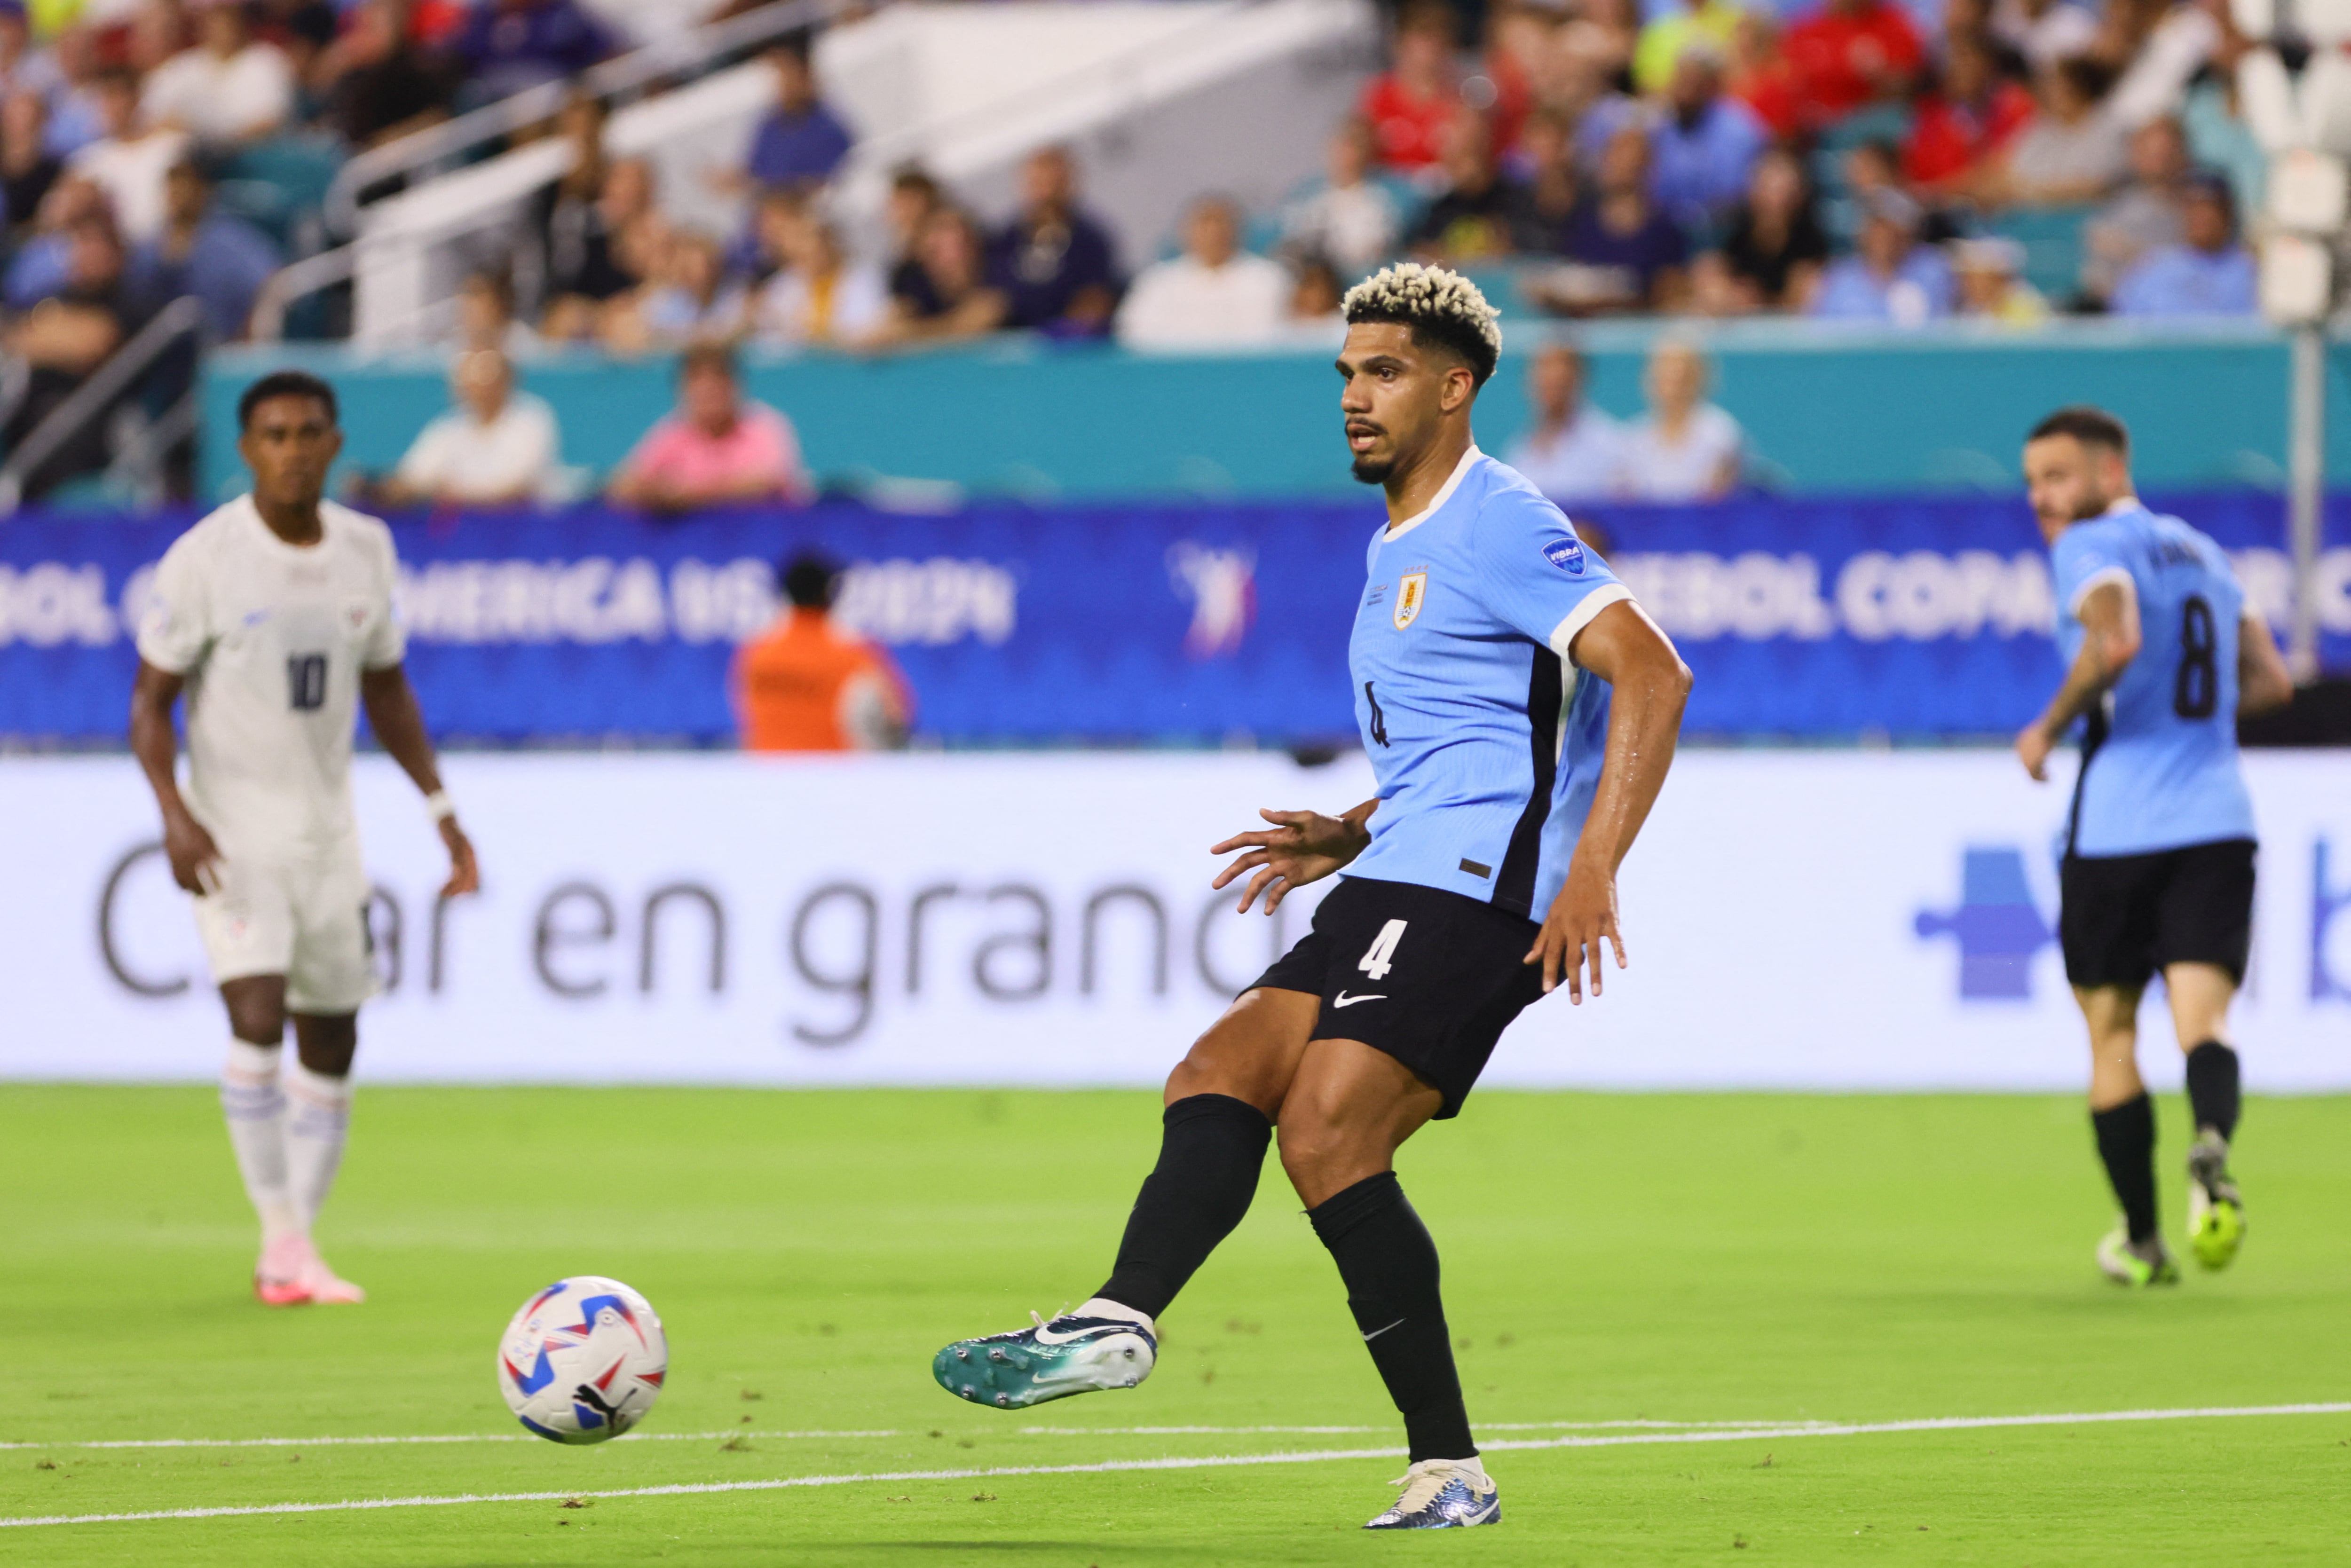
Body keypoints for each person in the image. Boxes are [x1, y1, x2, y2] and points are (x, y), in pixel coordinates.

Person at [929, 263, 1692, 1531]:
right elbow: (1471, 742)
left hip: (1485, 891)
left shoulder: (1497, 516)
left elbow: (1653, 674)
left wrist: (1597, 861)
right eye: (1345, 372)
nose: (1354, 395)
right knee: (1216, 1070)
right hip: (1401, 867)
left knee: (1331, 1130)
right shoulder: (1400, 537)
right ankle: (1120, 1316)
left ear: (1457, 388)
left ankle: (1448, 1462)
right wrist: (1352, 825)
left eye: (1384, 371)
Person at [127, 370, 481, 1307]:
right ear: (247, 449)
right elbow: (149, 704)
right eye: (273, 433)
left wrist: (444, 812)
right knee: (256, 1016)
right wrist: (174, 809)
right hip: (235, 834)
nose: (291, 447)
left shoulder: (368, 547)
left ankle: (293, 1248)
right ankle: (284, 1242)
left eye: (307, 432)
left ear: (333, 443)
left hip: (332, 835)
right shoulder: (203, 559)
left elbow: (389, 689)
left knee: (334, 1034)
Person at [2012, 405, 2293, 1287]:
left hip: (2117, 826)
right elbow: (2272, 682)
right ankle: (2212, 1146)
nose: (2043, 500)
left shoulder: (2091, 547)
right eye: (2032, 483)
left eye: (2058, 478)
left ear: (2108, 471)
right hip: (2217, 815)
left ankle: (2141, 1238)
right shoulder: (2207, 554)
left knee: (2112, 1034)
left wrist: (2049, 728)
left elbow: (2118, 633)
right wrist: (2192, 720)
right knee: (2204, 1020)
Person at [732, 551, 913, 752]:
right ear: (832, 594)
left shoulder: (755, 655)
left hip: (763, 775)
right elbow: (897, 721)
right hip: (830, 775)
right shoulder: (855, 656)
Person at [607, 342, 812, 512]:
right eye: (698, 385)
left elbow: (767, 481)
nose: (708, 393)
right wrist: (659, 493)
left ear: (734, 386)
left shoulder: (765, 425)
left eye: (716, 383)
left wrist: (689, 494)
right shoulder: (674, 430)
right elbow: (623, 485)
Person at [127, 158, 280, 342]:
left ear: (203, 192)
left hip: (222, 343)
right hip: (162, 346)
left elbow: (270, 281)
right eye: (173, 191)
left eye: (186, 189)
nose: (178, 198)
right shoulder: (150, 246)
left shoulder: (233, 241)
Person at [381, 348, 558, 507]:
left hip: (523, 529)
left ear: (506, 379)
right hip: (464, 532)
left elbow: (518, 488)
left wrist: (452, 493)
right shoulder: (448, 427)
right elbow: (413, 477)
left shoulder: (532, 418)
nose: (478, 386)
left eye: (486, 375)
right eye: (471, 378)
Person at [1114, 195, 1291, 349]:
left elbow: (1274, 336)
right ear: (1186, 231)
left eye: (1221, 225)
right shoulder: (1158, 282)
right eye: (1204, 226)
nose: (1213, 234)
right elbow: (1134, 335)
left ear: (1238, 230)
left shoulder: (1268, 278)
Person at [986, 145, 1120, 337]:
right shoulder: (1006, 239)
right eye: (1038, 184)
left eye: (1055, 184)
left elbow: (1095, 300)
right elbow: (990, 298)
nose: (1046, 194)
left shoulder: (1090, 240)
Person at [139, 0, 295, 150]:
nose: (221, 33)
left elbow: (271, 120)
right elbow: (153, 115)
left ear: (241, 27)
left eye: (227, 26)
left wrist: (222, 140)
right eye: (214, 26)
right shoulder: (182, 66)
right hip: (192, 153)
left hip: (254, 152)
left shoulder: (267, 61)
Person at [1646, 43, 1766, 236]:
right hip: (1664, 230)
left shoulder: (1740, 132)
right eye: (1678, 80)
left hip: (1721, 233)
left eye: (1690, 82)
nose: (1680, 91)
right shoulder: (1659, 126)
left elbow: (1732, 202)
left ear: (1711, 86)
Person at [1691, 144, 1828, 312]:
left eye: (1782, 189)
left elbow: (1805, 298)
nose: (1775, 199)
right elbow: (1712, 275)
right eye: (1768, 186)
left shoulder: (1810, 240)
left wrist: (1763, 303)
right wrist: (1730, 293)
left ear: (1799, 194)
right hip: (1737, 323)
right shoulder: (1733, 231)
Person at [63, 66, 188, 244]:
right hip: (111, 251)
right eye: (104, 98)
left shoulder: (171, 146)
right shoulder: (86, 161)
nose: (111, 106)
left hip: (163, 244)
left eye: (117, 95)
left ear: (136, 98)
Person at [2109, 173, 2255, 317]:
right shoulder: (2150, 270)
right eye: (2193, 208)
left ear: (2226, 213)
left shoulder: (2252, 270)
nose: (2201, 218)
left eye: (2209, 208)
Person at [748, 197, 888, 347]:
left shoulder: (864, 278)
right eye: (793, 243)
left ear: (829, 240)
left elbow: (867, 330)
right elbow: (771, 333)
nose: (801, 251)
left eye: (806, 239)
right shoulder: (785, 285)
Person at [1618, 337, 1742, 501]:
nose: (1674, 386)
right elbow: (1625, 497)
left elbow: (1716, 497)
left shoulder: (1720, 433)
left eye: (1682, 377)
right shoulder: (1634, 436)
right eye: (1665, 377)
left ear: (1698, 378)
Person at [1278, 118, 1403, 280]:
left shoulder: (1383, 199)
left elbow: (1375, 253)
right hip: (1308, 280)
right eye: (1341, 144)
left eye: (1355, 145)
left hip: (1357, 281)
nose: (1346, 153)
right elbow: (1289, 241)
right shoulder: (1306, 192)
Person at [1806, 189, 1955, 323]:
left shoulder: (1933, 268)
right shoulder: (1839, 277)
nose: (1883, 237)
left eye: (1891, 229)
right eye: (1876, 228)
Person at [1502, 340, 1623, 503]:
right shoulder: (1520, 452)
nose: (1552, 377)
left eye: (1561, 370)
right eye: (1543, 369)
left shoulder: (1610, 445)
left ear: (1580, 377)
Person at [1781, 0, 1923, 130]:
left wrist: (1877, 74)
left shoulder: (1895, 25)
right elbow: (1789, 82)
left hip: (1869, 125)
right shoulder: (1806, 28)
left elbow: (1907, 86)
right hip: (1813, 129)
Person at [1360, 4, 1460, 172]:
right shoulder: (1379, 96)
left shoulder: (1459, 98)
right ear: (1402, 44)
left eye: (1438, 41)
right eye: (1424, 40)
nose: (1432, 50)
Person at [1405, 111, 1515, 263]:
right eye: (1464, 158)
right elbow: (1419, 246)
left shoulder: (1509, 197)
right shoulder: (1437, 198)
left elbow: (1518, 249)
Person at [742, 41, 852, 193]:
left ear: (806, 79)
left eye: (787, 78)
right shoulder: (769, 127)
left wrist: (766, 190)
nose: (782, 85)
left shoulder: (829, 130)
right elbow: (752, 170)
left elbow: (822, 185)